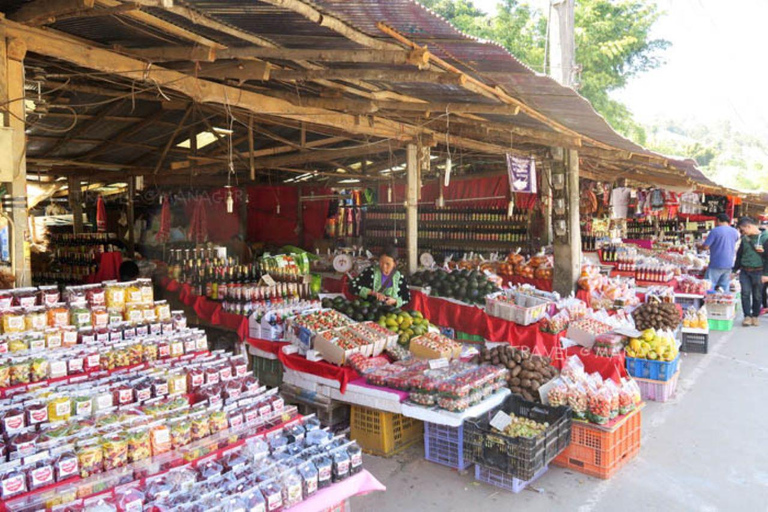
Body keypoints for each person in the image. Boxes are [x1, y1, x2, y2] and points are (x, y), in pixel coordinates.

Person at [733, 217, 768, 326]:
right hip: (745, 271)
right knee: (745, 293)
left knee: (757, 295)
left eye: (743, 230)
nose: (743, 233)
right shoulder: (744, 239)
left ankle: (755, 315)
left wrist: (766, 274)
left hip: (759, 271)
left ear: (749, 226)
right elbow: (739, 255)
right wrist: (734, 270)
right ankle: (747, 316)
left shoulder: (765, 238)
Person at [702, 213, 740, 292]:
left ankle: (709, 302)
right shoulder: (735, 232)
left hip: (716, 263)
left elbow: (705, 247)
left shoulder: (715, 231)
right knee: (724, 287)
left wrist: (699, 246)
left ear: (718, 220)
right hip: (729, 263)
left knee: (708, 286)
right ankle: (724, 302)